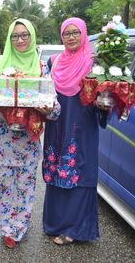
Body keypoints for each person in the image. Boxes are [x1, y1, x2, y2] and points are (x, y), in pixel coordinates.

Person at [0, 18, 61, 248]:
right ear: (9, 39)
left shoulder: (41, 68)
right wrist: (1, 107)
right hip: (1, 141)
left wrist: (47, 109)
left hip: (27, 142)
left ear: (32, 38)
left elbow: (55, 108)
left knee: (26, 189)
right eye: (15, 36)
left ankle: (16, 230)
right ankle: (7, 223)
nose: (20, 40)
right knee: (5, 187)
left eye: (24, 35)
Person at [42, 17, 110, 245]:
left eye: (75, 33)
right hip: (56, 125)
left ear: (83, 35)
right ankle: (55, 223)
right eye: (66, 33)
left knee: (79, 171)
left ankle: (77, 228)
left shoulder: (94, 64)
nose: (71, 37)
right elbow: (44, 91)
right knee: (56, 169)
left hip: (82, 127)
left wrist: (104, 105)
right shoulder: (53, 62)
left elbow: (104, 98)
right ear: (61, 36)